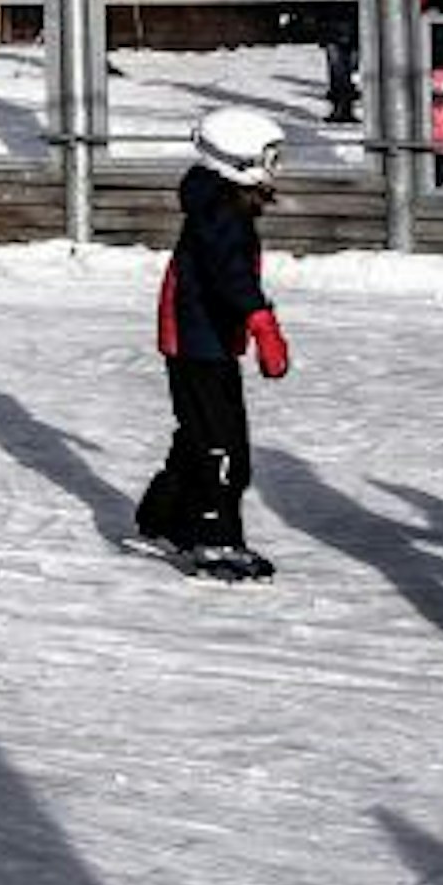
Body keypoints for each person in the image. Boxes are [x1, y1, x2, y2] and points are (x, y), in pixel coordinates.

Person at [131, 105, 293, 581]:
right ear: (239, 160)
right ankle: (213, 539)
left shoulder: (218, 200)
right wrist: (262, 322)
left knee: (198, 433)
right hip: (198, 340)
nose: (276, 168)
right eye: (270, 158)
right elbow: (230, 273)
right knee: (222, 447)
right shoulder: (220, 210)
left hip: (205, 338)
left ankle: (163, 515)